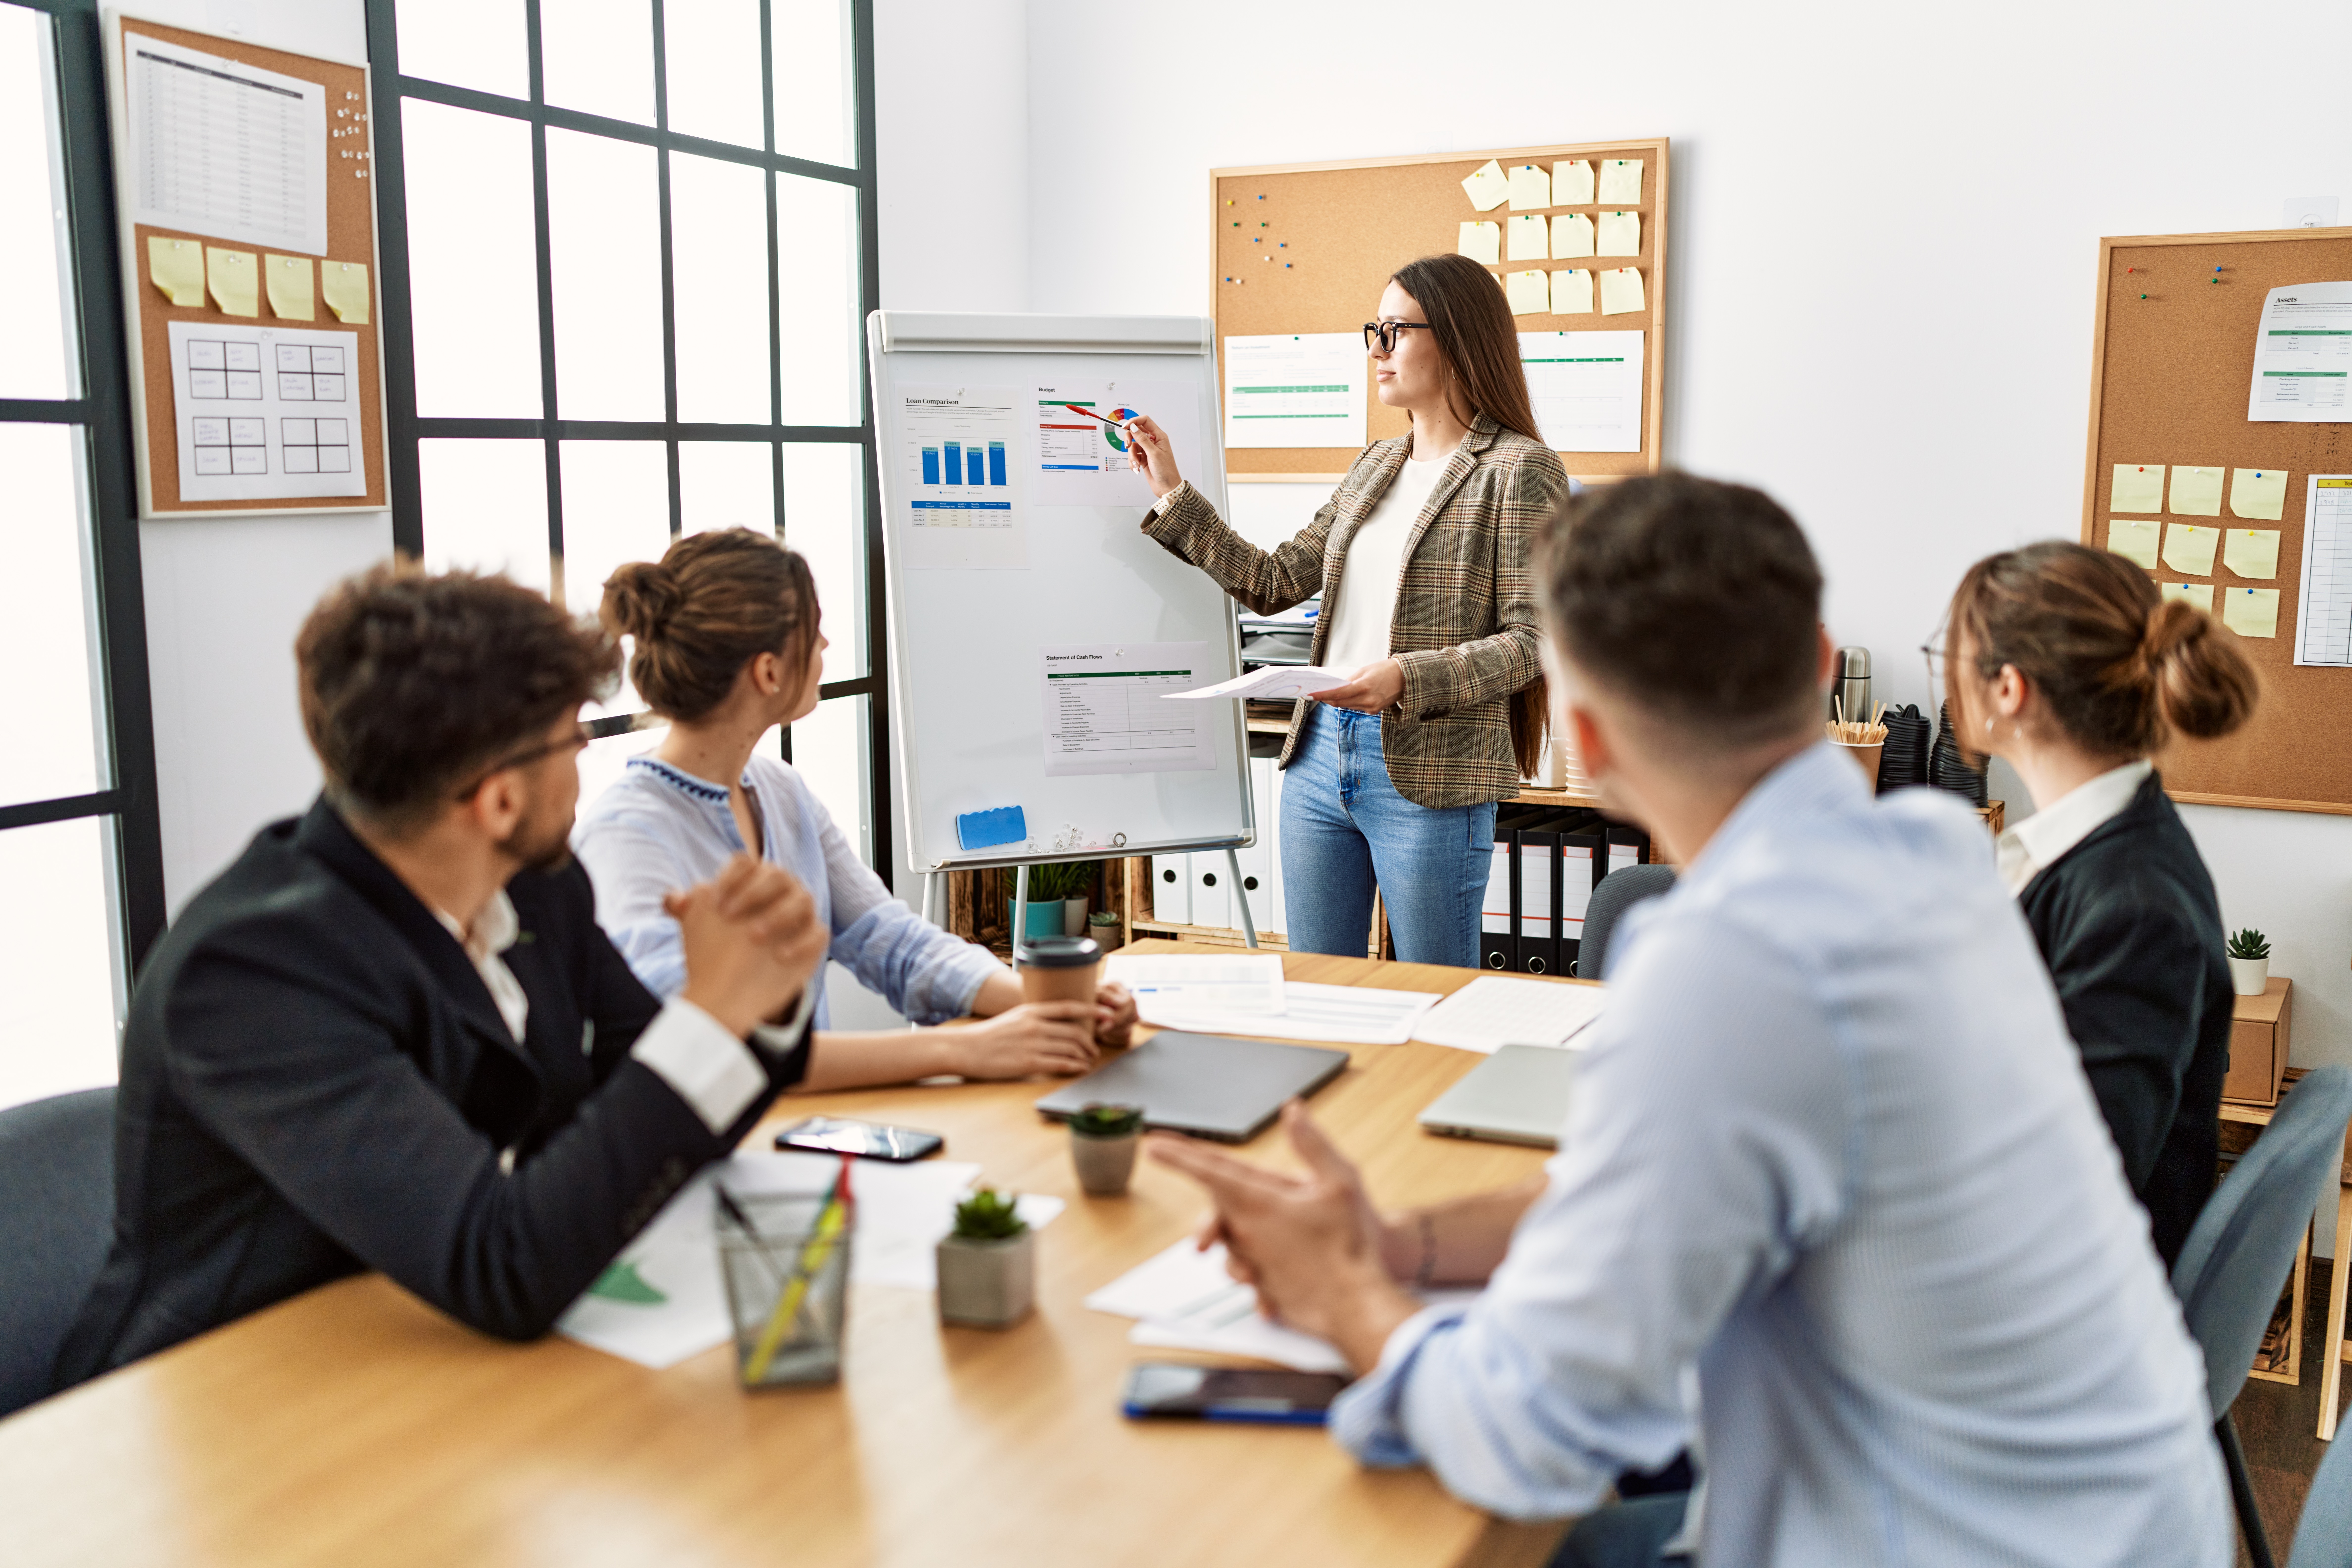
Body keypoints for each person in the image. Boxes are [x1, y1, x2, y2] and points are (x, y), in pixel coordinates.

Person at [1151, 475, 2226, 1567]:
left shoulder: (1730, 968)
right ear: (1820, 661)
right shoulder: (1935, 856)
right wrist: (1405, 1244)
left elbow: (1531, 1439)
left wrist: (1342, 1293)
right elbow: (1636, 1198)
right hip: (2124, 1515)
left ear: (1587, 742)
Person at [55, 567, 826, 1390]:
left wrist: (762, 991)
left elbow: (661, 1102)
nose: (584, 762)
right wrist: (707, 1016)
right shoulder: (252, 972)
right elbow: (501, 1261)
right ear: (498, 799)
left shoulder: (538, 885)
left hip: (431, 1358)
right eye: (574, 737)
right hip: (228, 1408)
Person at [1120, 254, 1569, 965]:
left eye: (1394, 331)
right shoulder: (1376, 464)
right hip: (1320, 754)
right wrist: (1173, 492)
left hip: (1432, 770)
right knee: (1314, 984)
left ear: (1454, 337)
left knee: (1433, 993)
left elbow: (1534, 641)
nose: (1375, 350)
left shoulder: (1518, 469)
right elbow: (1273, 580)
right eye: (1374, 330)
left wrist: (1404, 677)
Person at [572, 528, 1135, 1087]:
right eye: (814, 632)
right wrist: (961, 1049)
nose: (826, 647)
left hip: (803, 1138)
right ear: (768, 673)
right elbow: (700, 1055)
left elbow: (893, 941)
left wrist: (1050, 1005)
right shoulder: (626, 836)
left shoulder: (779, 790)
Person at [1942, 542, 2258, 1267]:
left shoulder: (2136, 908)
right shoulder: (2099, 854)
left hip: (2064, 1314)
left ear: (2008, 689)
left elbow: (2065, 1191)